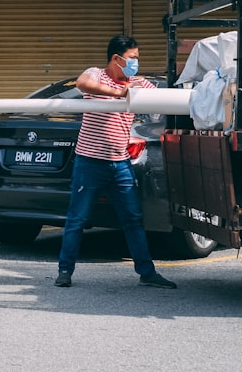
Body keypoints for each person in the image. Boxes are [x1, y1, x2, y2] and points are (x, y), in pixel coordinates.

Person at [55, 35, 177, 289]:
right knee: (77, 219)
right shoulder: (96, 75)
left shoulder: (138, 82)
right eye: (132, 58)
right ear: (116, 58)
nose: (136, 63)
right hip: (89, 162)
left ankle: (147, 272)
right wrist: (119, 93)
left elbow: (164, 100)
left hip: (121, 163)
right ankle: (65, 271)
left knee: (133, 218)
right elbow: (82, 84)